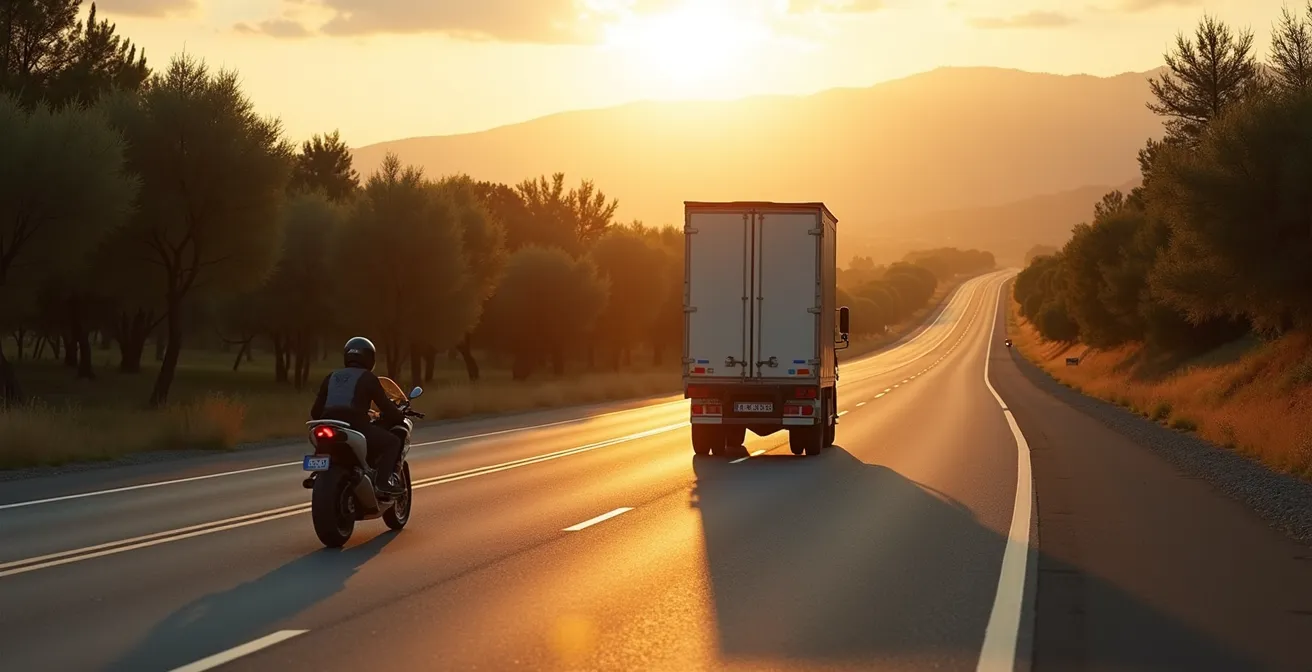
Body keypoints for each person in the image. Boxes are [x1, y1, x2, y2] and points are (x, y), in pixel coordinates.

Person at [310, 337, 406, 497]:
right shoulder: (368, 378)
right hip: (356, 426)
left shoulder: (331, 376)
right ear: (370, 358)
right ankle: (383, 484)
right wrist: (398, 416)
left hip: (328, 424)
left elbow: (315, 411)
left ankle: (318, 473)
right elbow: (385, 406)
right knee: (393, 442)